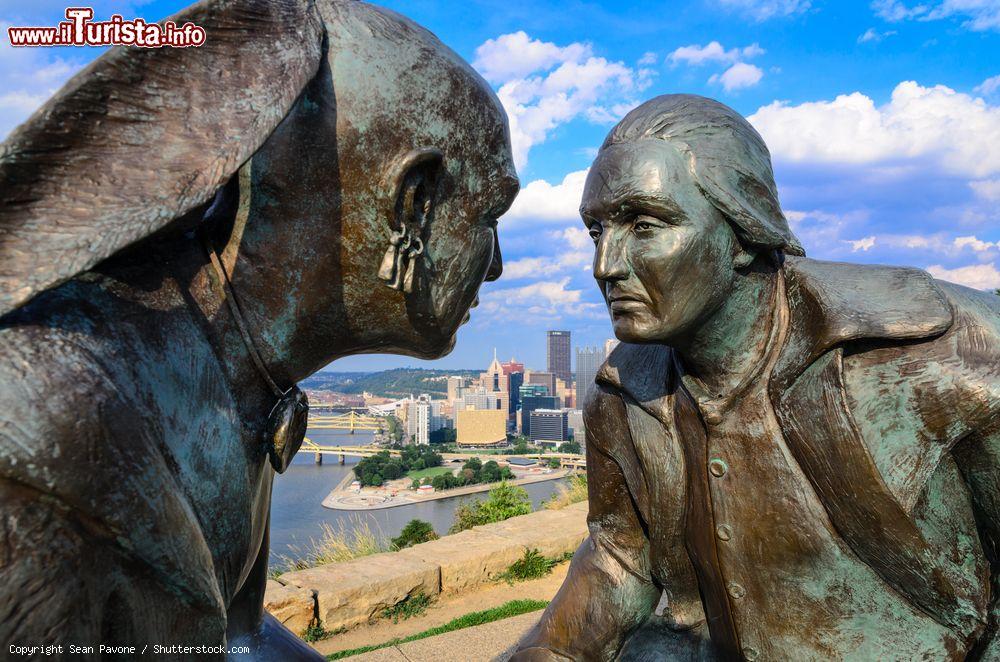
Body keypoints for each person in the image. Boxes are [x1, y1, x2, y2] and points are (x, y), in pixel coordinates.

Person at [0, 1, 516, 660]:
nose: (498, 266)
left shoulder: (243, 377)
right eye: (489, 216)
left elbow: (234, 644)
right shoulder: (47, 439)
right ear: (411, 206)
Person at [513, 94, 1000, 661]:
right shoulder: (620, 390)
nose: (606, 265)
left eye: (645, 225)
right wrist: (550, 650)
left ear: (743, 232)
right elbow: (621, 557)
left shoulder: (936, 352)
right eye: (596, 230)